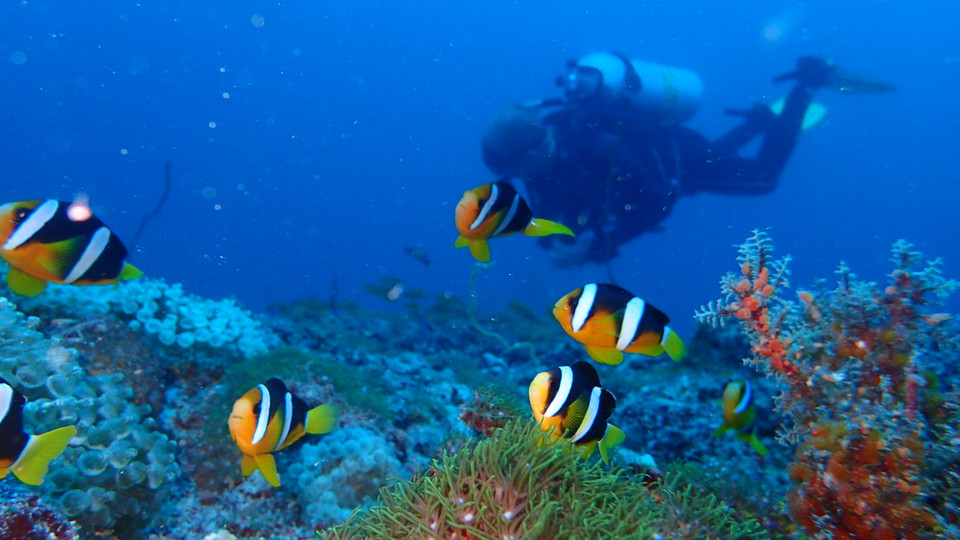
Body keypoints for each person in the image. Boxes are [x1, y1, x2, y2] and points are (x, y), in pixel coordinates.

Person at [481, 53, 891, 267]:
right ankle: (759, 122)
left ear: (533, 150)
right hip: (663, 167)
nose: (515, 179)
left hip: (681, 158)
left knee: (762, 178)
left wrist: (595, 251)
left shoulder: (596, 145)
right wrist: (554, 241)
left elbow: (658, 203)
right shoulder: (543, 158)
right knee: (720, 160)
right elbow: (558, 215)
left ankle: (806, 84)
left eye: (514, 169)